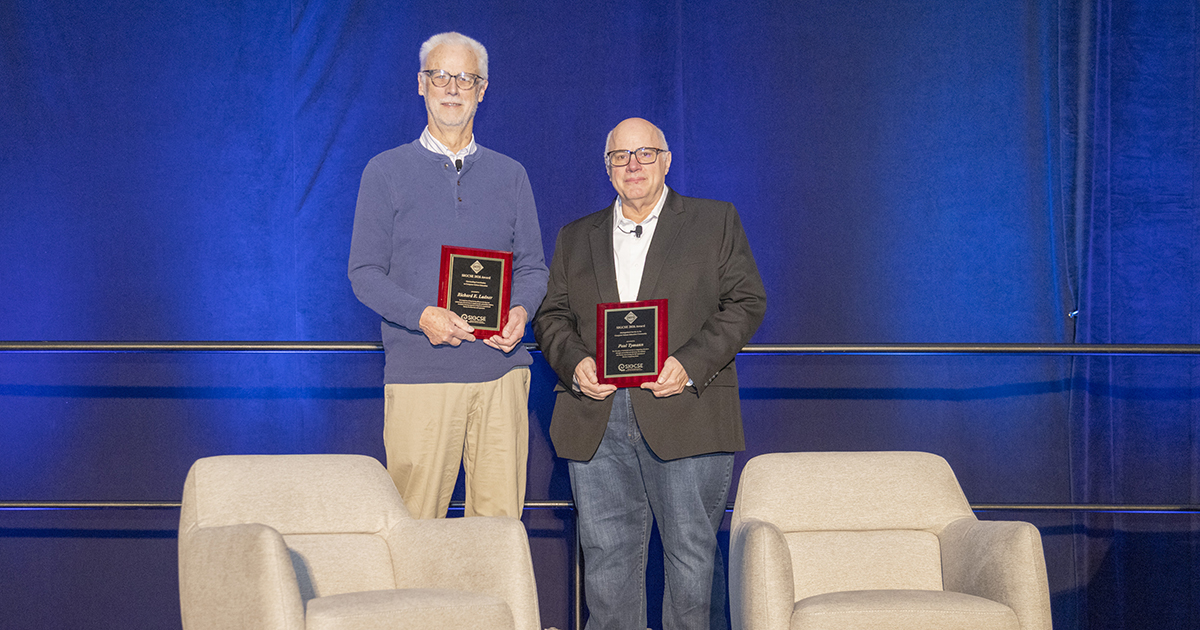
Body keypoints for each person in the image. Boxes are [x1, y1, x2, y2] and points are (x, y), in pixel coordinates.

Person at [533, 117, 766, 630]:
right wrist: (575, 364)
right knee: (606, 562)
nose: (633, 165)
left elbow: (747, 302)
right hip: (596, 416)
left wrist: (689, 364)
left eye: (644, 153)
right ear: (608, 168)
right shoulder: (576, 236)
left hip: (686, 409)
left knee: (691, 562)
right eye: (620, 156)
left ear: (666, 160)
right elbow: (551, 316)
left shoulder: (714, 220)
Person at [348, 32, 547, 519]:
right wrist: (422, 316)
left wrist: (520, 312)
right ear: (421, 84)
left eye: (465, 78)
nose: (452, 87)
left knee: (499, 530)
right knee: (414, 526)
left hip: (501, 374)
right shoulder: (385, 171)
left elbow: (533, 267)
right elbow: (364, 273)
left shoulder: (511, 174)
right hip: (421, 375)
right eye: (440, 76)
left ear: (483, 89)